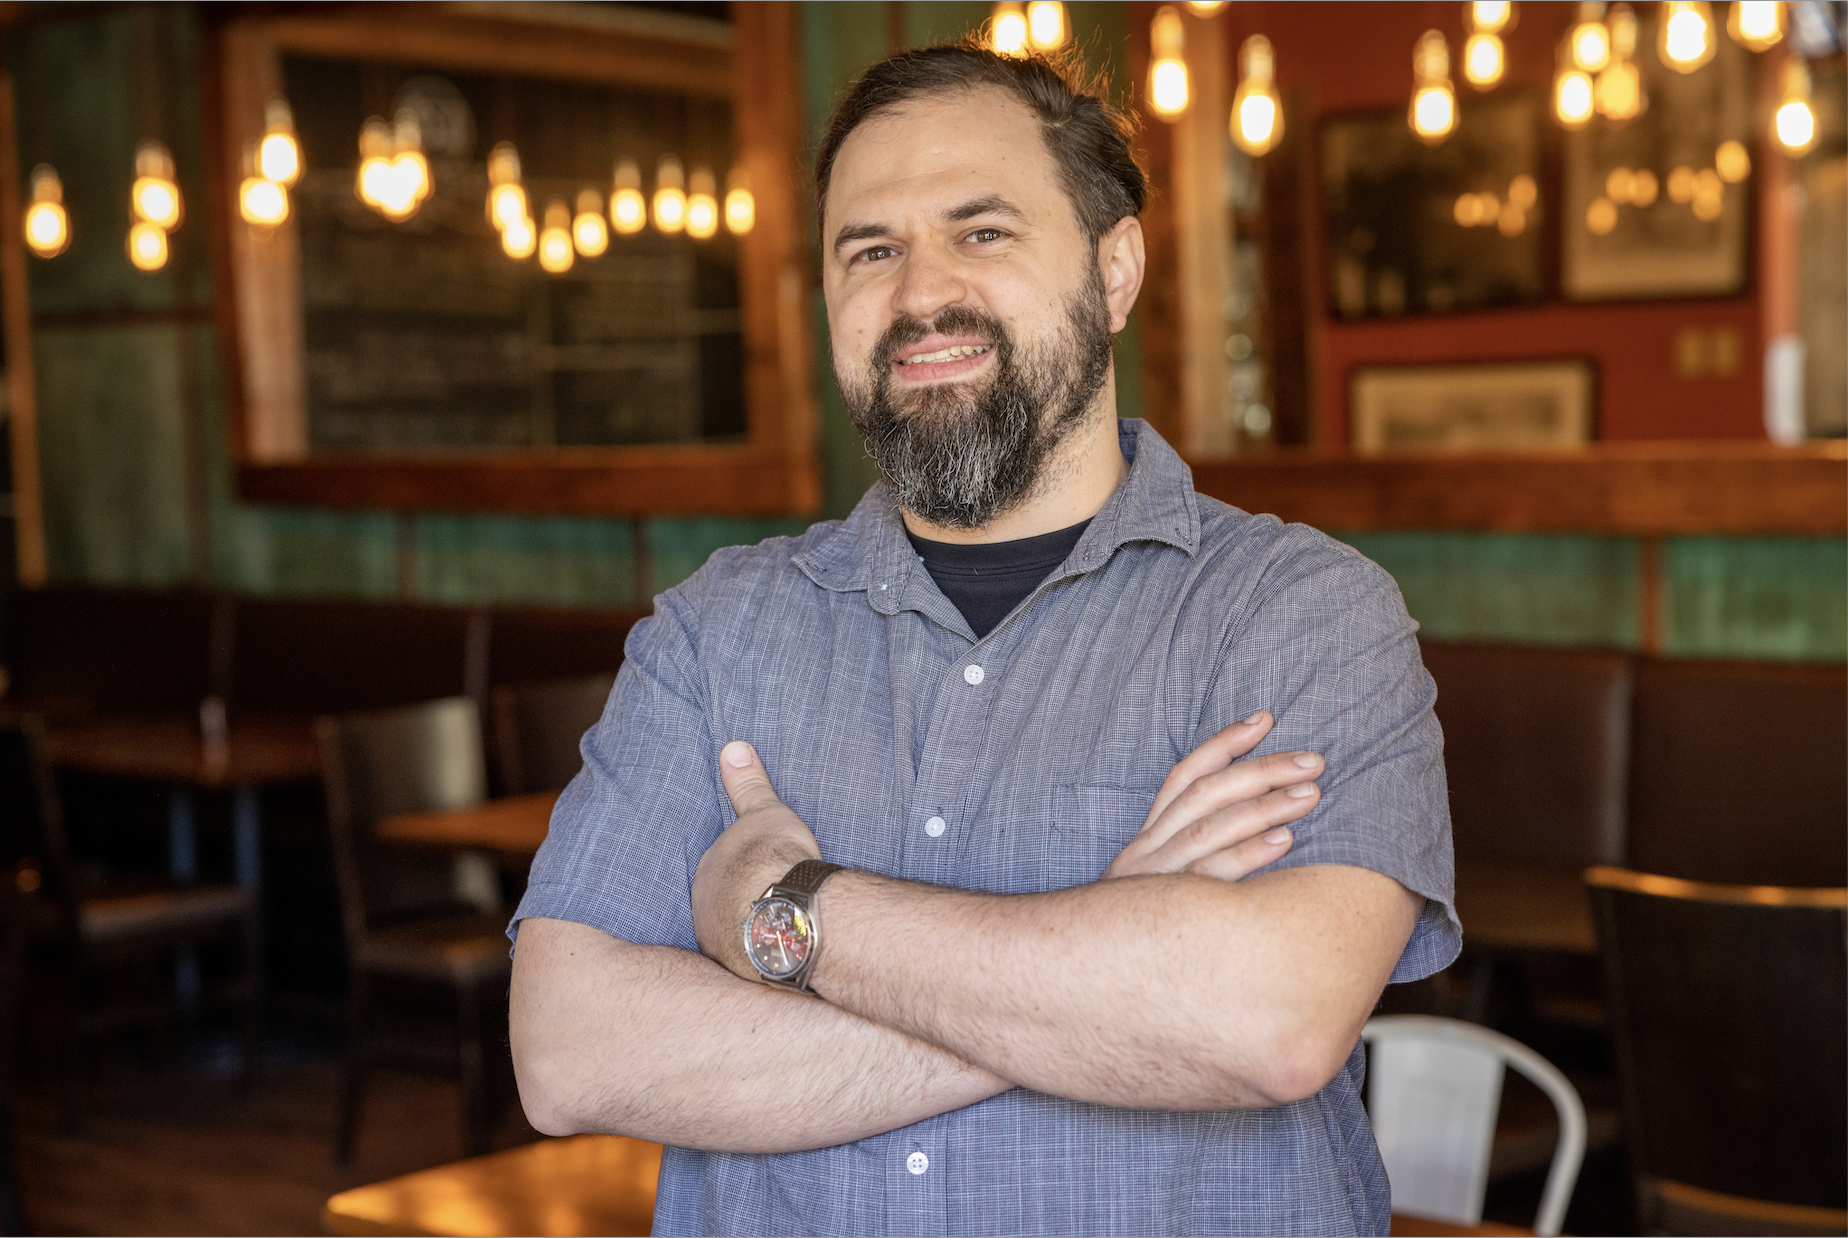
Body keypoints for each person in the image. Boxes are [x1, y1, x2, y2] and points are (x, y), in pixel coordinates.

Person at [509, 41, 1458, 1238]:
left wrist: (784, 909)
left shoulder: (1302, 611)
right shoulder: (717, 631)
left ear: (1115, 269)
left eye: (983, 230)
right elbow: (567, 1051)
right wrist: (1103, 953)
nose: (920, 295)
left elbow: (1270, 1024)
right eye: (870, 250)